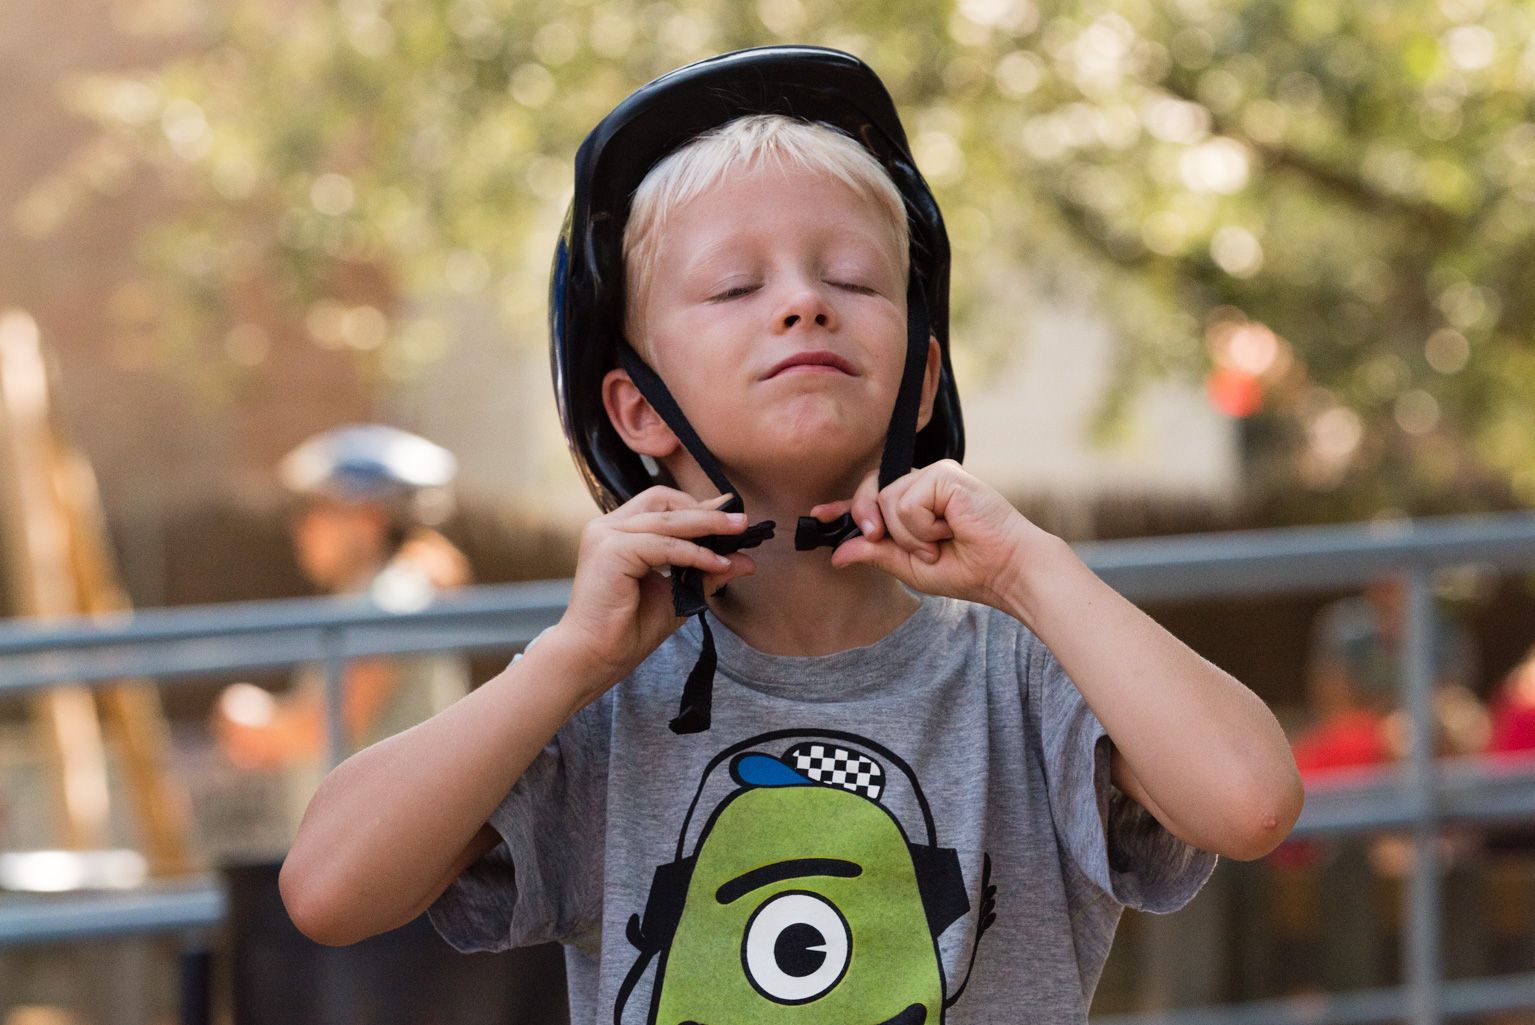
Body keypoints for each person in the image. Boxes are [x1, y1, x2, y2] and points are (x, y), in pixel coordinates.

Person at [278, 47, 1303, 1023]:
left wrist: (1030, 571)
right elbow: (327, 889)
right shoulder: (599, 701)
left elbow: (1251, 800)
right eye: (734, 286)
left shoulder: (1024, 676)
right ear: (635, 409)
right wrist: (560, 662)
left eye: (854, 279)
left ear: (922, 383)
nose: (805, 303)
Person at [212, 424, 472, 789]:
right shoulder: (380, 593)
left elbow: (333, 719)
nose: (302, 528)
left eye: (318, 509)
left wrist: (255, 719)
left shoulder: (389, 598)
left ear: (368, 518)